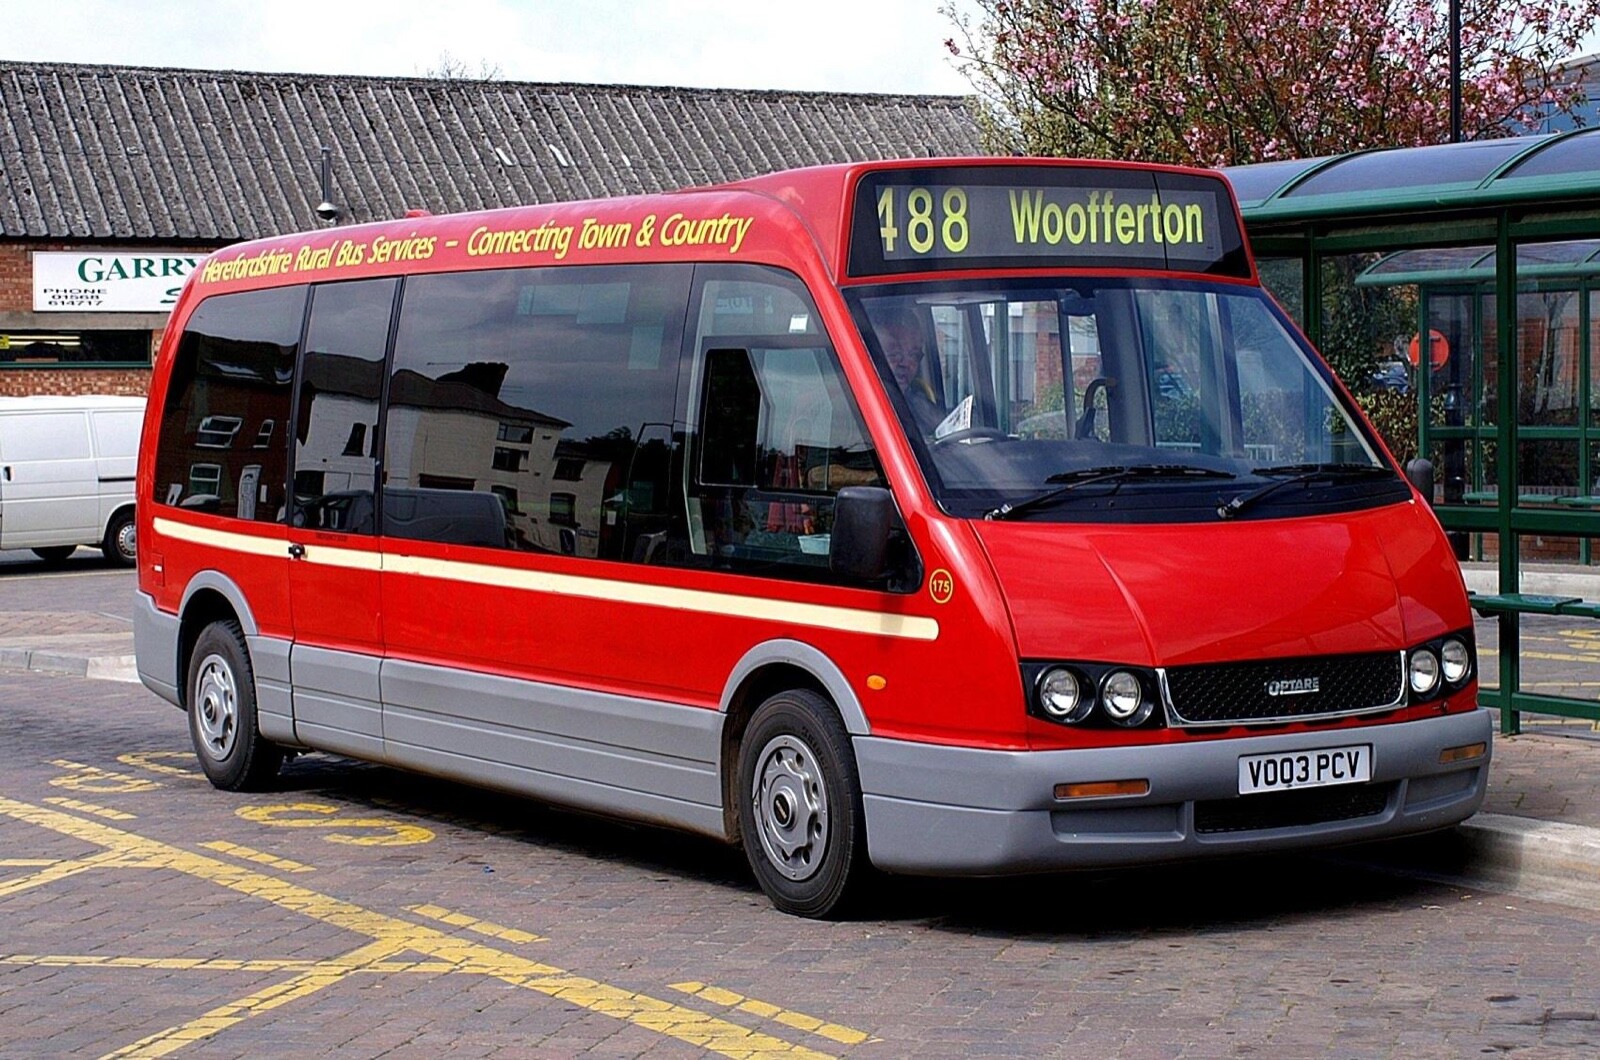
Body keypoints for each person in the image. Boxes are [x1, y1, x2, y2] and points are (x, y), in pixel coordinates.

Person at [875, 307, 945, 436]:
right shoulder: (856, 410)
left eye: (913, 354)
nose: (906, 364)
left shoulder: (921, 407)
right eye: (894, 354)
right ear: (872, 354)